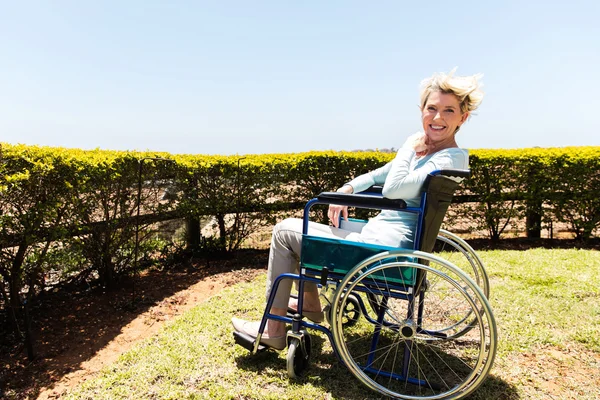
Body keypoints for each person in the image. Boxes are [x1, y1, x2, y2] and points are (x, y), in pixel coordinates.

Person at [232, 69, 484, 350]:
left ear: (463, 117)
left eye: (448, 110)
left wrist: (407, 147)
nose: (437, 118)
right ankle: (310, 303)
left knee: (284, 231)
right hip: (386, 239)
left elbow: (392, 188)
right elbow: (381, 175)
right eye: (432, 108)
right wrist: (347, 190)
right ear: (421, 111)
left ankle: (274, 329)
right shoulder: (439, 154)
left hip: (383, 252)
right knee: (315, 229)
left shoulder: (446, 157)